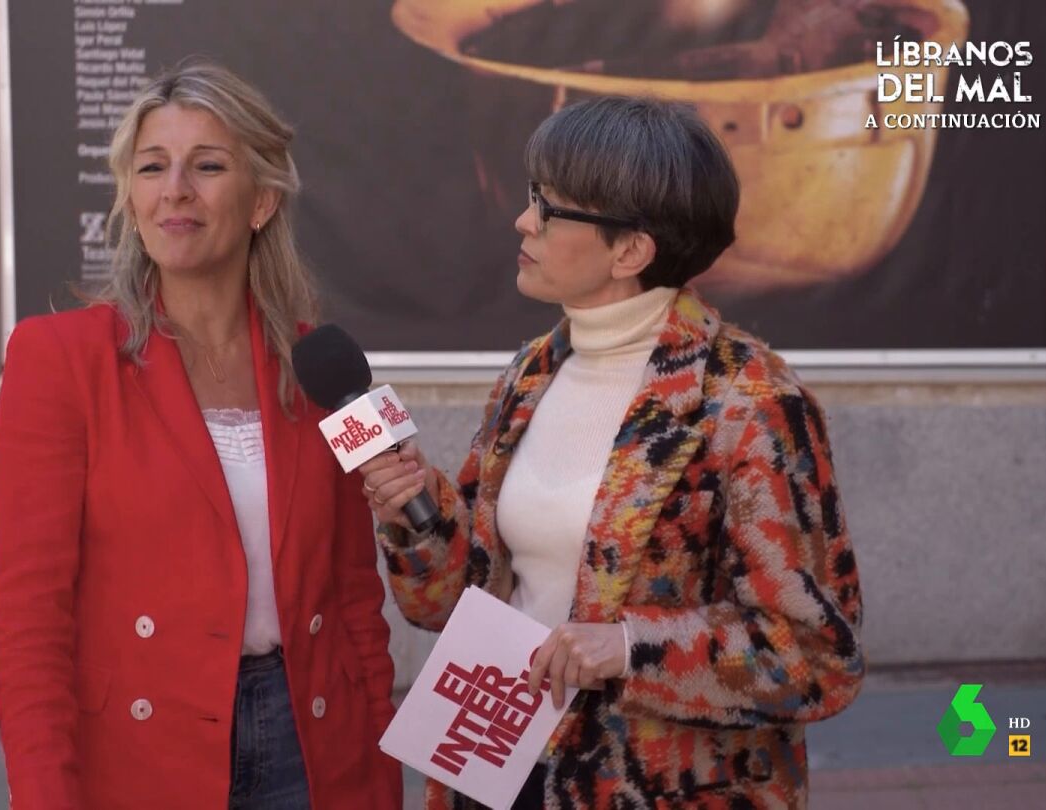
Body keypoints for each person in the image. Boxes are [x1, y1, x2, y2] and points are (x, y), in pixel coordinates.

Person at [359, 96, 864, 808]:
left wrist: (628, 646)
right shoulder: (532, 372)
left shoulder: (749, 401)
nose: (523, 221)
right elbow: (456, 600)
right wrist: (414, 511)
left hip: (655, 787)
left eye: (548, 207)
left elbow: (817, 656)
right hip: (498, 767)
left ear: (630, 251)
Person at [0, 59, 401, 810]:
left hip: (312, 742)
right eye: (152, 167)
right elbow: (29, 615)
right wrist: (44, 792)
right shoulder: (59, 359)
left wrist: (378, 771)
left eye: (207, 166)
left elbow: (353, 595)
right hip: (142, 753)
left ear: (261, 200)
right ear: (131, 197)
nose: (175, 189)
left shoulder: (318, 364)